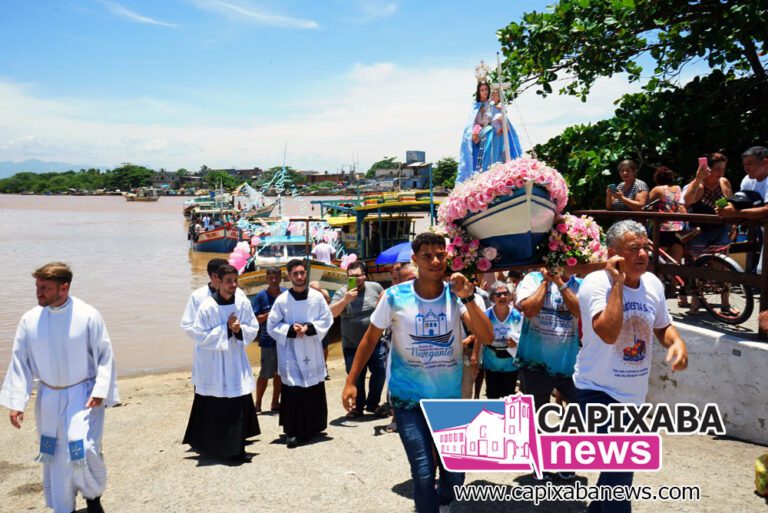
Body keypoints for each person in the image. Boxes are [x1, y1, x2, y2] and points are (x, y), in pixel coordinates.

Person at [342, 232, 494, 513]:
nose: (435, 261)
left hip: (447, 400)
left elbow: (486, 335)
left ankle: (446, 500)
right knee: (423, 471)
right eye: (427, 256)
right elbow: (370, 339)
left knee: (453, 471)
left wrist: (469, 296)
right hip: (408, 400)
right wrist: (351, 380)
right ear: (415, 260)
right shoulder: (395, 296)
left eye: (440, 255)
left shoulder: (456, 295)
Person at [575, 220, 688, 513]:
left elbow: (663, 326)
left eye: (645, 247)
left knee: (615, 475)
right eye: (633, 248)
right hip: (597, 392)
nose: (642, 254)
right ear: (613, 253)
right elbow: (609, 333)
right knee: (621, 472)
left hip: (632, 398)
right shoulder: (596, 284)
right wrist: (618, 285)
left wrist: (677, 343)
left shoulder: (653, 284)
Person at [0, 262, 118, 513]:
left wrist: (100, 392)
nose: (38, 292)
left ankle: (92, 495)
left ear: (63, 288)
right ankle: (64, 506)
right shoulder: (29, 320)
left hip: (82, 395)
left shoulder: (87, 315)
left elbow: (104, 355)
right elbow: (20, 361)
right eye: (37, 287)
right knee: (54, 454)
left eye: (45, 287)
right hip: (49, 397)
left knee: (82, 448)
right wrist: (17, 402)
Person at [183, 265, 260, 463]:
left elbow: (253, 327)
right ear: (219, 282)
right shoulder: (207, 306)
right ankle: (217, 448)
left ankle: (236, 450)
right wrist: (225, 329)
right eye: (229, 281)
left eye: (236, 281)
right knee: (216, 405)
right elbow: (198, 335)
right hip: (214, 363)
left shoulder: (242, 304)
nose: (233, 285)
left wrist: (239, 329)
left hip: (234, 360)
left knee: (236, 405)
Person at [267, 259, 334, 448]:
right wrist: (290, 329)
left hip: (311, 349)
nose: (299, 276)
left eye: (302, 273)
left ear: (306, 274)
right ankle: (292, 431)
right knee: (293, 390)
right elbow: (272, 325)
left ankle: (314, 427)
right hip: (291, 351)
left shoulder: (317, 297)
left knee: (313, 388)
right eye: (295, 273)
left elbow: (326, 318)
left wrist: (310, 328)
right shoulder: (282, 300)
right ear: (289, 276)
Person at [331, 261, 386, 418]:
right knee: (356, 376)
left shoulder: (375, 287)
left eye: (358, 276)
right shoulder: (342, 292)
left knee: (380, 372)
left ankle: (373, 403)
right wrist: (346, 300)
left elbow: (385, 307)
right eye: (351, 277)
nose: (356, 279)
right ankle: (357, 407)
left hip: (375, 342)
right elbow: (332, 313)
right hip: (352, 345)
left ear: (364, 275)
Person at [718, 146, 768, 272]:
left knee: (763, 270)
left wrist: (735, 212)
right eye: (744, 164)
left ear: (765, 162)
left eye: (750, 164)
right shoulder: (747, 180)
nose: (745, 168)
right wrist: (724, 208)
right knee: (761, 271)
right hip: (762, 230)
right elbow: (739, 202)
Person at [250, 268, 285, 413]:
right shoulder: (260, 296)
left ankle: (275, 403)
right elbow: (254, 320)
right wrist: (270, 315)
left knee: (279, 373)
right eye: (270, 277)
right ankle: (257, 404)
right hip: (267, 341)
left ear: (280, 278)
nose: (273, 280)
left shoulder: (286, 294)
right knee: (265, 373)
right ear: (266, 279)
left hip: (283, 341)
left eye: (276, 277)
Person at [482, 281, 523, 399]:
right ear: (492, 297)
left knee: (508, 397)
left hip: (510, 363)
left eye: (505, 293)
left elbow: (524, 337)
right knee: (492, 396)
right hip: (491, 362)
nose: (503, 297)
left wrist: (516, 342)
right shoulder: (486, 315)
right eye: (498, 294)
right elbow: (479, 337)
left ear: (510, 296)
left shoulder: (517, 315)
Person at [648, 165, 686, 263]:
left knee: (653, 263)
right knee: (674, 268)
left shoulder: (657, 190)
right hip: (678, 230)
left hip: (662, 231)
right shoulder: (678, 188)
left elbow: (645, 206)